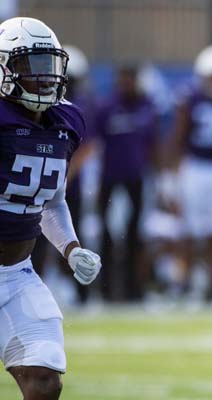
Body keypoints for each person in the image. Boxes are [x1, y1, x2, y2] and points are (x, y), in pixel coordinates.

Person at [0, 17, 102, 399]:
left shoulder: (66, 122)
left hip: (15, 275)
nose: (44, 77)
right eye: (30, 67)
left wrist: (71, 249)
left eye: (49, 66)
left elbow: (52, 200)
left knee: (44, 380)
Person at [168, 44, 212, 301]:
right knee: (187, 229)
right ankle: (182, 283)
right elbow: (178, 137)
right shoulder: (191, 98)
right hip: (195, 166)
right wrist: (171, 175)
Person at [95, 65, 159, 302]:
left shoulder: (146, 106)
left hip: (136, 178)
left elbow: (153, 144)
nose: (127, 84)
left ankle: (134, 290)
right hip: (110, 179)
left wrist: (160, 178)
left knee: (135, 236)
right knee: (108, 236)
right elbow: (94, 142)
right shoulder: (106, 107)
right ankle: (105, 290)